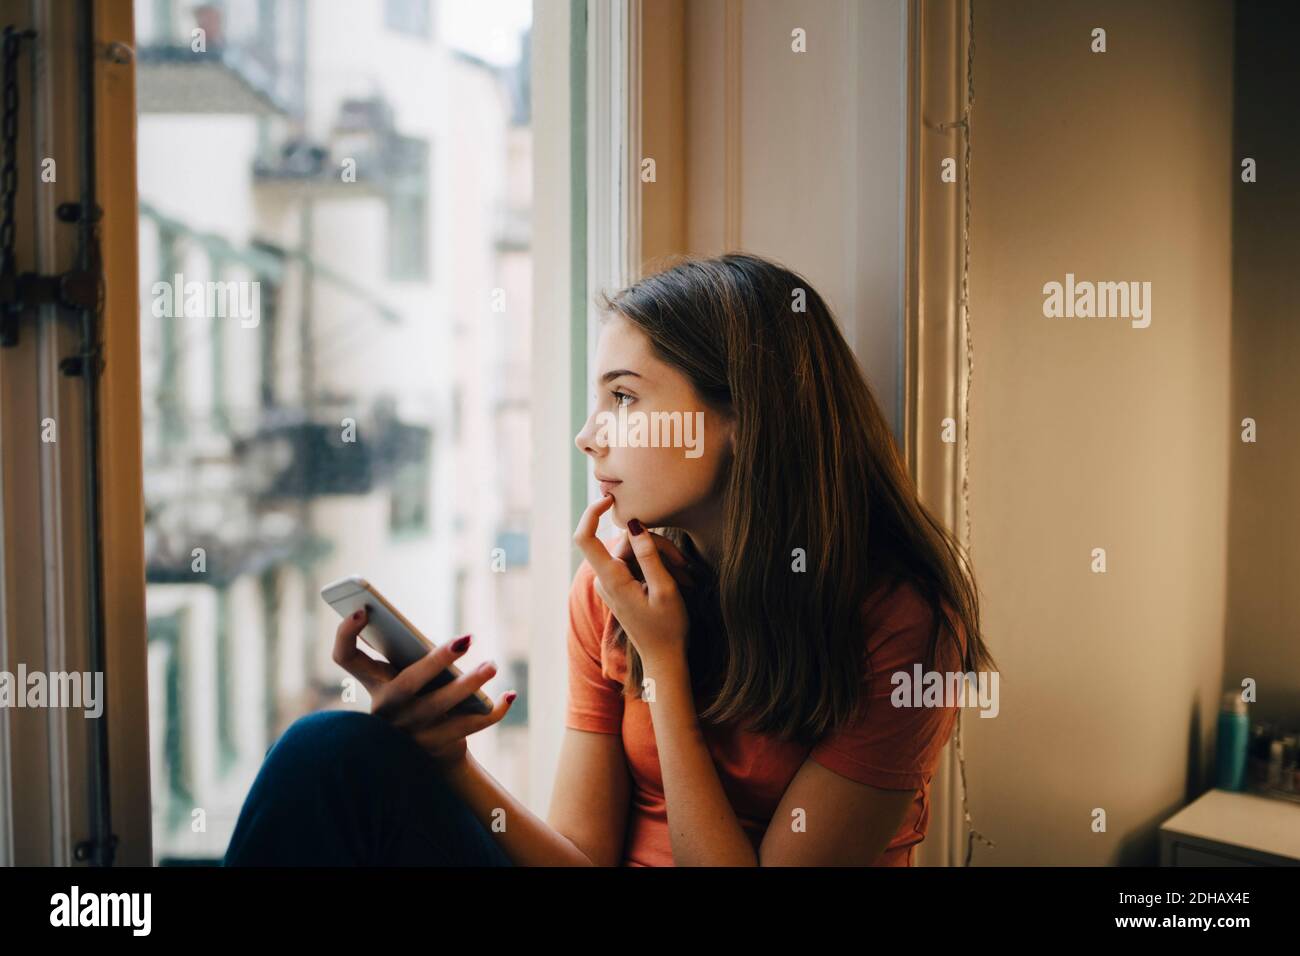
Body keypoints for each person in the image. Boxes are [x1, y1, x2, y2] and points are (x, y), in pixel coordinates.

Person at [224, 252, 996, 867]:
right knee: (329, 751)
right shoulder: (614, 593)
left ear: (742, 417)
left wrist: (665, 669)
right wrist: (451, 760)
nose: (590, 436)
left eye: (625, 398)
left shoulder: (907, 630)